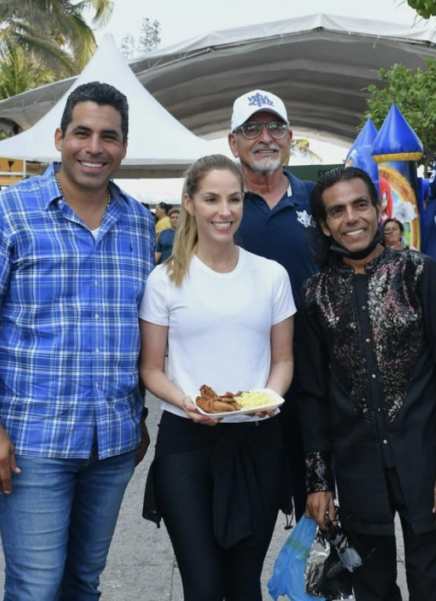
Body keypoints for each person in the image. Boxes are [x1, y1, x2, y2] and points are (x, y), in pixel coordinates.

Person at [0, 81, 155, 600]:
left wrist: (140, 417)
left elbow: (139, 328)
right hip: (32, 442)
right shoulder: (6, 213)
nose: (94, 147)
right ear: (59, 138)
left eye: (109, 136)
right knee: (36, 587)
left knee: (84, 583)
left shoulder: (138, 222)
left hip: (113, 440)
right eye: (82, 133)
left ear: (123, 147)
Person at [299, 167, 436, 601]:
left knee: (433, 587)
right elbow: (312, 394)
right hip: (357, 469)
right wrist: (318, 483)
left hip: (424, 465)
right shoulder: (315, 293)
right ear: (325, 225)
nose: (351, 217)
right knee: (372, 589)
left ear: (378, 209)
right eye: (337, 211)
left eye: (360, 204)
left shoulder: (419, 273)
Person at [139, 154, 296, 600]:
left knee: (244, 585)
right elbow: (151, 367)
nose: (224, 211)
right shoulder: (164, 280)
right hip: (186, 442)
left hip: (259, 441)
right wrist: (185, 401)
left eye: (234, 199)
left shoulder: (271, 275)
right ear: (189, 203)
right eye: (211, 199)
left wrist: (268, 397)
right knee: (203, 586)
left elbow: (283, 359)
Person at [228, 88, 318, 519]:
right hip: (239, 372)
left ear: (290, 138)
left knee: (318, 497)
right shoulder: (220, 204)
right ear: (233, 142)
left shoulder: (318, 200)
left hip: (314, 374)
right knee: (248, 505)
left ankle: (316, 563)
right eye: (252, 129)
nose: (265, 138)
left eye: (275, 127)